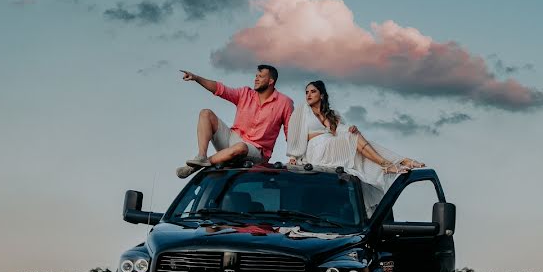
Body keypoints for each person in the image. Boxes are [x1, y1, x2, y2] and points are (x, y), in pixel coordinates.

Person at [286, 80, 425, 208]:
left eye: (313, 91)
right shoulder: (302, 110)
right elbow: (295, 132)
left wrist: (350, 129)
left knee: (354, 135)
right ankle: (390, 163)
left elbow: (340, 131)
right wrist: (293, 155)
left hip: (332, 147)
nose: (308, 95)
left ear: (321, 95)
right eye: (306, 92)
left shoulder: (332, 114)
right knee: (353, 139)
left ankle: (393, 163)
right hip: (316, 150)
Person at [176, 65, 294, 179]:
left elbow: (290, 131)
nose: (256, 79)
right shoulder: (245, 93)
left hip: (257, 150)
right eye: (256, 76)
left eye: (261, 76)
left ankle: (197, 166)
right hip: (232, 139)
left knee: (240, 147)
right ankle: (201, 157)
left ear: (271, 81)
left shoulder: (284, 102)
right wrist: (196, 78)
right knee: (205, 113)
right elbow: (220, 89)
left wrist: (294, 156)